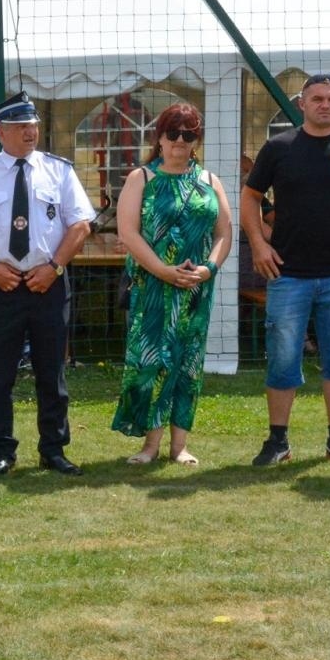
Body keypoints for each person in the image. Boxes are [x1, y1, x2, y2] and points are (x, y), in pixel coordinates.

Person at [241, 73, 330, 466]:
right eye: (317, 98)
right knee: (283, 358)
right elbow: (250, 197)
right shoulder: (278, 148)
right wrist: (259, 244)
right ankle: (278, 442)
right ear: (301, 104)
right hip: (287, 274)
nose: (325, 104)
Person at [0, 91, 94, 476]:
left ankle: (54, 449)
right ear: (1, 132)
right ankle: (1, 450)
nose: (30, 132)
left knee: (51, 371)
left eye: (33, 125)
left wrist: (55, 267)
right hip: (1, 286)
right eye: (20, 126)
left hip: (49, 283)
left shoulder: (59, 171)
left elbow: (80, 225)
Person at [112, 104, 233, 465]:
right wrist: (162, 270)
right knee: (151, 361)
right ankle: (149, 446)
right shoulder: (141, 179)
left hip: (195, 291)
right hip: (152, 288)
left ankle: (179, 446)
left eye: (189, 134)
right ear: (160, 138)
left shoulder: (210, 181)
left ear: (197, 140)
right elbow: (128, 233)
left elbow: (224, 233)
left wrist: (209, 268)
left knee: (188, 363)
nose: (180, 140)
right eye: (173, 133)